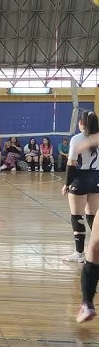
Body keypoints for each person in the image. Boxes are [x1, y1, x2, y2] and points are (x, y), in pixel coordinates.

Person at [62, 111, 99, 264]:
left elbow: (71, 164)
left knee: (77, 216)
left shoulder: (77, 139)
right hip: (97, 178)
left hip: (80, 179)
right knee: (93, 217)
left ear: (82, 123)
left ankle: (79, 253)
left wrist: (66, 184)